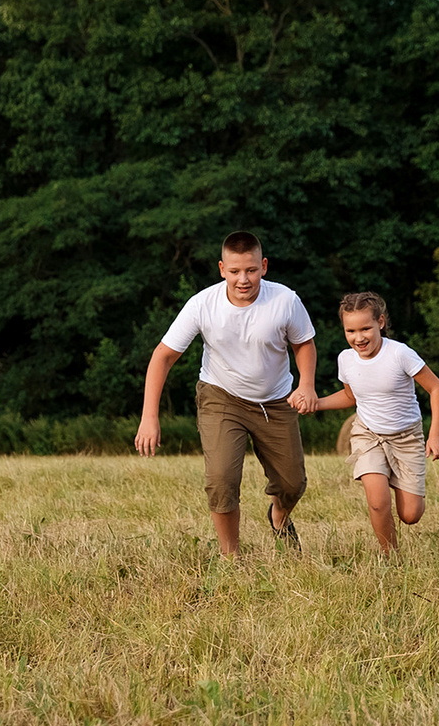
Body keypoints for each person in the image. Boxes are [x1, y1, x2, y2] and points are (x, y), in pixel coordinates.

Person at [135, 231, 319, 555]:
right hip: (221, 397)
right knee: (221, 480)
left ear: (263, 266)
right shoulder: (202, 305)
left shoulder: (285, 301)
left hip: (276, 400)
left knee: (292, 483)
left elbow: (303, 343)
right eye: (235, 271)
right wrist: (149, 417)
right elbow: (162, 357)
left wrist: (306, 384)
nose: (243, 279)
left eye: (250, 270)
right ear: (222, 269)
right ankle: (231, 558)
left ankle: (278, 516)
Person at [314, 291, 439, 555]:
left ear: (381, 322)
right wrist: (317, 403)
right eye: (350, 330)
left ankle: (396, 480)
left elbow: (437, 389)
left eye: (366, 328)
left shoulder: (400, 354)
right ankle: (390, 556)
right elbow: (351, 396)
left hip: (406, 437)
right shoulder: (346, 359)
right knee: (377, 502)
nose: (358, 337)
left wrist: (435, 435)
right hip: (368, 434)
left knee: (410, 514)